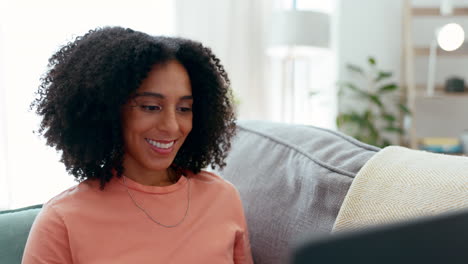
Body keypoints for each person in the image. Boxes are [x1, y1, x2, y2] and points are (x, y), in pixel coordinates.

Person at [22, 26, 253, 264]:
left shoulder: (222, 199)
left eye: (184, 109)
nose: (172, 126)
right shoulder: (61, 221)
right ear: (110, 110)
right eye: (151, 107)